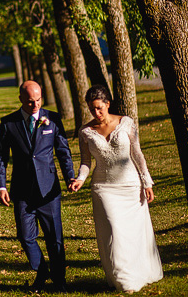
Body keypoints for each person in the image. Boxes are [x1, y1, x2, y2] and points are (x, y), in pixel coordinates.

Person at [69, 85, 163, 293]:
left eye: (99, 108)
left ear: (107, 104)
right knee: (113, 228)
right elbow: (86, 161)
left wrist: (147, 182)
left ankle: (137, 271)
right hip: (104, 187)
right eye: (92, 109)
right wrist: (80, 179)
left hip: (130, 185)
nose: (96, 113)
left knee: (132, 232)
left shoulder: (126, 123)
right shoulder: (85, 132)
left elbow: (137, 155)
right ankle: (123, 279)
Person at [0, 80, 75, 292]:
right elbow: (1, 158)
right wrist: (1, 187)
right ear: (21, 99)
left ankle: (59, 282)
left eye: (38, 100)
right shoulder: (8, 123)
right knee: (25, 236)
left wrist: (70, 178)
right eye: (30, 101)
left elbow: (63, 152)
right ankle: (41, 270)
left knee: (54, 238)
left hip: (49, 190)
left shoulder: (53, 119)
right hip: (22, 190)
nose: (35, 105)